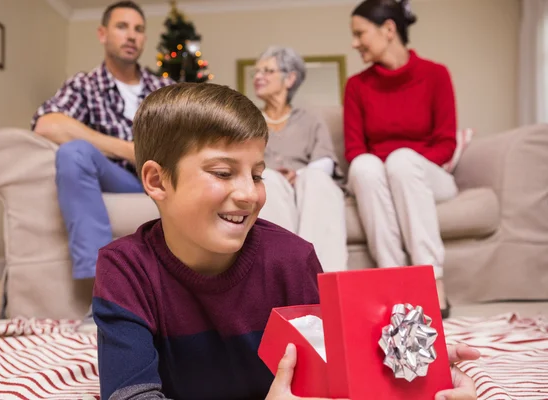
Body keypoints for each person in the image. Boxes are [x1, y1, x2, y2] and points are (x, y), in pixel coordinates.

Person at [93, 82, 480, 400]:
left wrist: (415, 369)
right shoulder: (124, 270)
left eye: (257, 175)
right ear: (158, 181)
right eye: (224, 172)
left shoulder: (293, 259)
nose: (249, 194)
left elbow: (345, 362)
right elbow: (131, 395)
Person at [30, 1, 174, 280]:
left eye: (138, 29)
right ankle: (101, 284)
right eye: (122, 27)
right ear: (102, 34)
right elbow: (47, 125)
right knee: (74, 153)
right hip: (119, 177)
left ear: (144, 38)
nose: (131, 35)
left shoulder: (164, 89)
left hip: (161, 180)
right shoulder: (84, 85)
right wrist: (128, 150)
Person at [344, 0, 458, 317]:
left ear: (389, 29)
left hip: (428, 175)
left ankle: (433, 280)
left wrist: (400, 164)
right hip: (378, 178)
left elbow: (446, 143)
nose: (354, 43)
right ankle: (392, 281)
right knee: (364, 166)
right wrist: (386, 170)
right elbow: (355, 150)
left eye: (359, 33)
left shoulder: (436, 75)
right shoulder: (356, 86)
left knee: (402, 162)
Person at [254, 46, 348, 273]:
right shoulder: (250, 119)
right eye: (256, 72)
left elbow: (325, 160)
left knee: (316, 179)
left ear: (290, 78)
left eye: (267, 71)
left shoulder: (310, 119)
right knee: (269, 181)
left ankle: (325, 283)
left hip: (308, 188)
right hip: (270, 185)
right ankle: (288, 278)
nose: (258, 77)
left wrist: (299, 176)